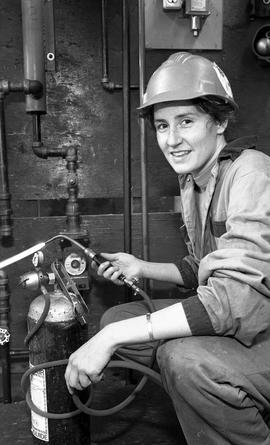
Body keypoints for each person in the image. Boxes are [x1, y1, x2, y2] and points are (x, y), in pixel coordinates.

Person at [65, 52, 270, 445]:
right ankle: (215, 402)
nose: (172, 140)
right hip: (240, 317)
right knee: (118, 321)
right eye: (162, 126)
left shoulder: (251, 173)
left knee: (182, 360)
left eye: (186, 122)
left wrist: (108, 341)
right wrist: (141, 267)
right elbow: (201, 268)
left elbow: (235, 300)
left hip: (261, 327)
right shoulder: (195, 178)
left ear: (221, 121)